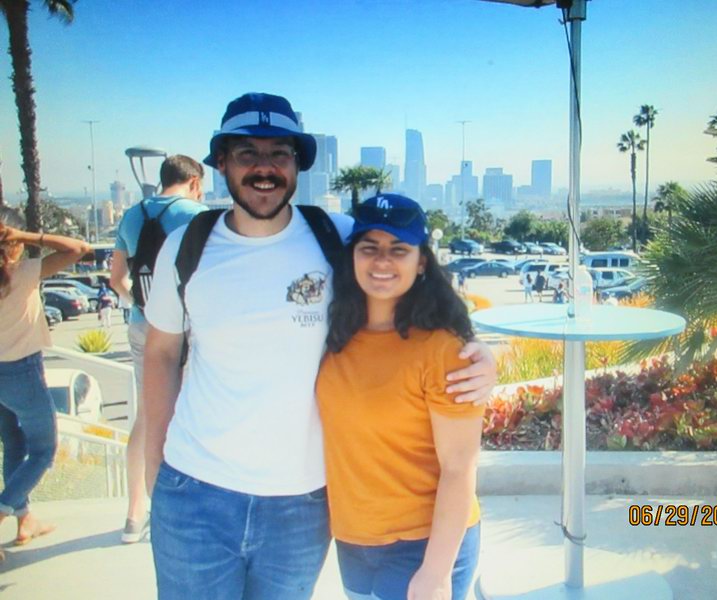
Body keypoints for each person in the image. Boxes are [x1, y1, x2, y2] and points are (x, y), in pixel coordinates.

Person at [142, 92, 496, 600]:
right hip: (195, 492)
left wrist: (479, 352)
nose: (264, 168)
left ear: (297, 165)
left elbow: (409, 279)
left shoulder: (337, 237)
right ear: (221, 162)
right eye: (247, 153)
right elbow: (159, 355)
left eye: (279, 154)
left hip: (300, 508)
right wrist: (154, 471)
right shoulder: (187, 246)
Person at [317, 194, 484, 600]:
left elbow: (459, 467)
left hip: (423, 544)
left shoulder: (444, 349)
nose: (382, 261)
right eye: (369, 247)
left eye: (399, 249)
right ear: (352, 255)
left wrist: (436, 573)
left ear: (421, 261)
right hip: (353, 541)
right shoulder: (334, 334)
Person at [109, 155, 206, 544]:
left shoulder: (131, 216)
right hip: (184, 329)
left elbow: (116, 278)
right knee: (187, 413)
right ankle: (181, 509)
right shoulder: (197, 216)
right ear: (195, 182)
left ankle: (134, 514)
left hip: (141, 324)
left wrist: (145, 306)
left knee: (146, 415)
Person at [0, 207, 91, 563]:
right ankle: (4, 512)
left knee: (14, 444)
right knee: (43, 451)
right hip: (21, 372)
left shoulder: (21, 273)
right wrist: (27, 236)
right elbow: (79, 249)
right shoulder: (23, 273)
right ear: (14, 242)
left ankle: (25, 519)